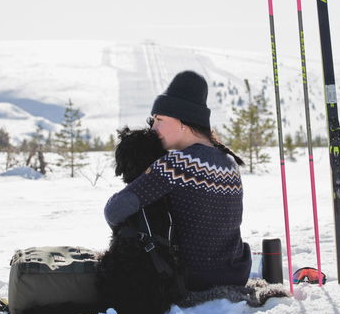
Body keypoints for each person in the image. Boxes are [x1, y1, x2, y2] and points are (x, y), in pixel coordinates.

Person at [104, 70, 251, 291]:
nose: (153, 129)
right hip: (236, 273)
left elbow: (114, 211)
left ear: (183, 122)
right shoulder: (228, 160)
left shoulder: (179, 163)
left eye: (159, 120)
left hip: (192, 279)